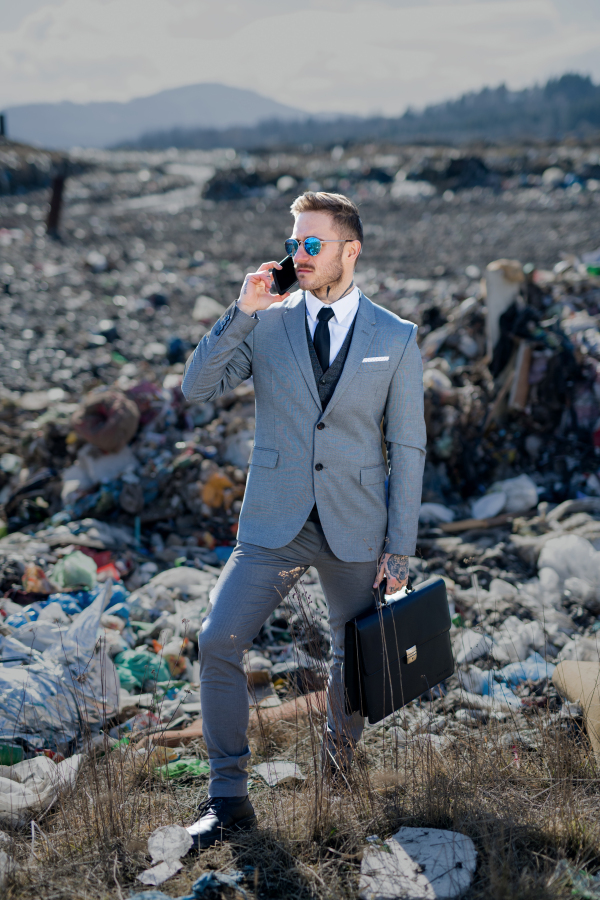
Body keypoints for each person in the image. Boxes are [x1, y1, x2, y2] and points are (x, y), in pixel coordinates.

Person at [181, 191, 426, 849]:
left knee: (356, 655)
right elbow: (196, 389)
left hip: (356, 523)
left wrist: (398, 548)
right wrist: (241, 310)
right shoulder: (267, 320)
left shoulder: (396, 338)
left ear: (351, 249)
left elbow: (407, 448)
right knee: (219, 640)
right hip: (274, 521)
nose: (299, 255)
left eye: (312, 244)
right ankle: (228, 798)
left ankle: (338, 771)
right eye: (294, 243)